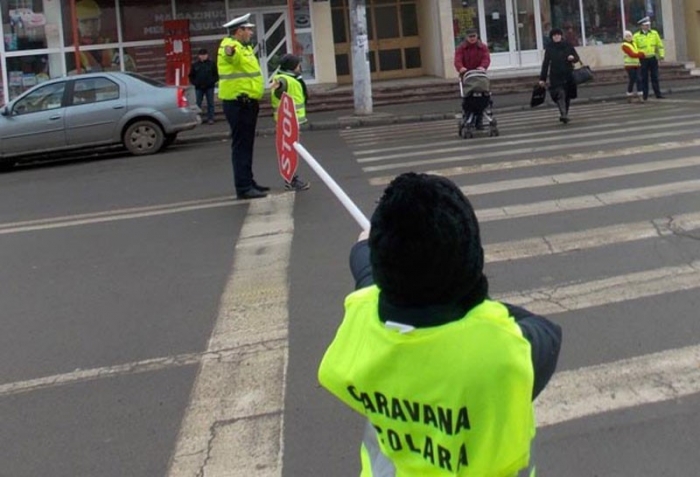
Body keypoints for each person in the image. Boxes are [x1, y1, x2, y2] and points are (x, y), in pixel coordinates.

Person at [318, 172, 562, 476]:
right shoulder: (500, 353)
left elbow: (365, 273)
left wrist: (371, 246)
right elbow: (547, 333)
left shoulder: (362, 321)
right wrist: (469, 294)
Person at [217, 13, 268, 200]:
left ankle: (249, 181)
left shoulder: (244, 47)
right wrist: (230, 51)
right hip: (238, 103)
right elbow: (230, 55)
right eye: (248, 29)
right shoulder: (229, 46)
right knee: (241, 147)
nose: (251, 32)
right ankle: (243, 187)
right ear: (239, 31)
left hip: (248, 103)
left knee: (247, 145)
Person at [270, 54, 311, 192]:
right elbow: (278, 87)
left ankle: (291, 180)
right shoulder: (283, 79)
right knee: (289, 153)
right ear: (292, 66)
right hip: (287, 122)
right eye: (298, 65)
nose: (300, 67)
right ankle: (291, 181)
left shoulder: (291, 78)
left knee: (291, 151)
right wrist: (278, 86)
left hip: (292, 121)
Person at [72, 0, 136, 73]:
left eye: (94, 20)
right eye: (84, 21)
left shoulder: (113, 45)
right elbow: (72, 74)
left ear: (100, 21)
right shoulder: (71, 51)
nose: (90, 25)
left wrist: (92, 72)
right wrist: (113, 69)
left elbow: (130, 67)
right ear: (76, 24)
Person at [539, 27, 580, 124]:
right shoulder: (550, 48)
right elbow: (546, 64)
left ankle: (565, 113)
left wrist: (572, 58)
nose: (556, 37)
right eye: (554, 35)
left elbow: (577, 58)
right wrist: (542, 79)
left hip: (568, 74)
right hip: (556, 75)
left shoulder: (567, 45)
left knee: (567, 96)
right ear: (552, 37)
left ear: (561, 36)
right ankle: (563, 114)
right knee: (560, 93)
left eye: (558, 35)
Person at [454, 28, 491, 129]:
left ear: (477, 36)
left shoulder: (482, 47)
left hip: (479, 76)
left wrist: (483, 66)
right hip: (467, 76)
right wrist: (461, 68)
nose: (472, 38)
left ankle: (479, 119)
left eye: (474, 36)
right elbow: (457, 59)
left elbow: (486, 58)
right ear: (466, 37)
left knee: (482, 97)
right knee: (469, 98)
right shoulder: (461, 48)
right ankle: (468, 117)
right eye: (470, 36)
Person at [633, 16, 665, 100]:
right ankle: (645, 95)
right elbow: (634, 48)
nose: (648, 26)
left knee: (655, 76)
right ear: (642, 26)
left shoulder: (654, 33)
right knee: (644, 77)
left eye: (648, 25)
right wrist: (637, 58)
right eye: (646, 25)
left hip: (652, 58)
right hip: (643, 59)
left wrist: (661, 55)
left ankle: (658, 94)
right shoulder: (636, 36)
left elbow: (659, 45)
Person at [189, 48, 219, 125]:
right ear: (199, 56)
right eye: (201, 55)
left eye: (204, 55)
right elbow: (191, 76)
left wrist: (211, 82)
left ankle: (211, 118)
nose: (203, 56)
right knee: (198, 104)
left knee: (210, 103)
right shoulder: (195, 65)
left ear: (207, 55)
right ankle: (197, 119)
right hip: (199, 87)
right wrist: (196, 83)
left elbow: (216, 75)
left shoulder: (211, 64)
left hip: (209, 87)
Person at [621, 30, 645, 102]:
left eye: (630, 36)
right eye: (627, 36)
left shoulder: (634, 43)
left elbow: (636, 52)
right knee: (632, 80)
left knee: (639, 79)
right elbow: (631, 54)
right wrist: (641, 54)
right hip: (629, 65)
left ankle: (640, 96)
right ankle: (629, 95)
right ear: (624, 37)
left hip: (637, 64)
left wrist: (640, 53)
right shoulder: (624, 45)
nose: (629, 37)